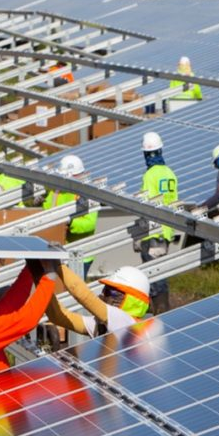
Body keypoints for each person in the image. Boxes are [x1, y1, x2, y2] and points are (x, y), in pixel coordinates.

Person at [46, 264, 151, 339]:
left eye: (111, 292)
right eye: (105, 289)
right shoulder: (107, 324)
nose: (102, 294)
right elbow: (58, 316)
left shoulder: (126, 323)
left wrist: (57, 264)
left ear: (129, 300)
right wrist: (41, 276)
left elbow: (81, 294)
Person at [139, 131, 177, 312]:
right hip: (167, 231)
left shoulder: (150, 175)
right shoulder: (170, 173)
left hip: (153, 230)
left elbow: (145, 202)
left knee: (154, 274)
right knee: (161, 271)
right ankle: (162, 308)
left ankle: (161, 311)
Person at [43, 154, 97, 276]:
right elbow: (46, 210)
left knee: (74, 291)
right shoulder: (57, 191)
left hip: (80, 254)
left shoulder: (87, 193)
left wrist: (70, 222)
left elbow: (90, 223)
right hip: (58, 250)